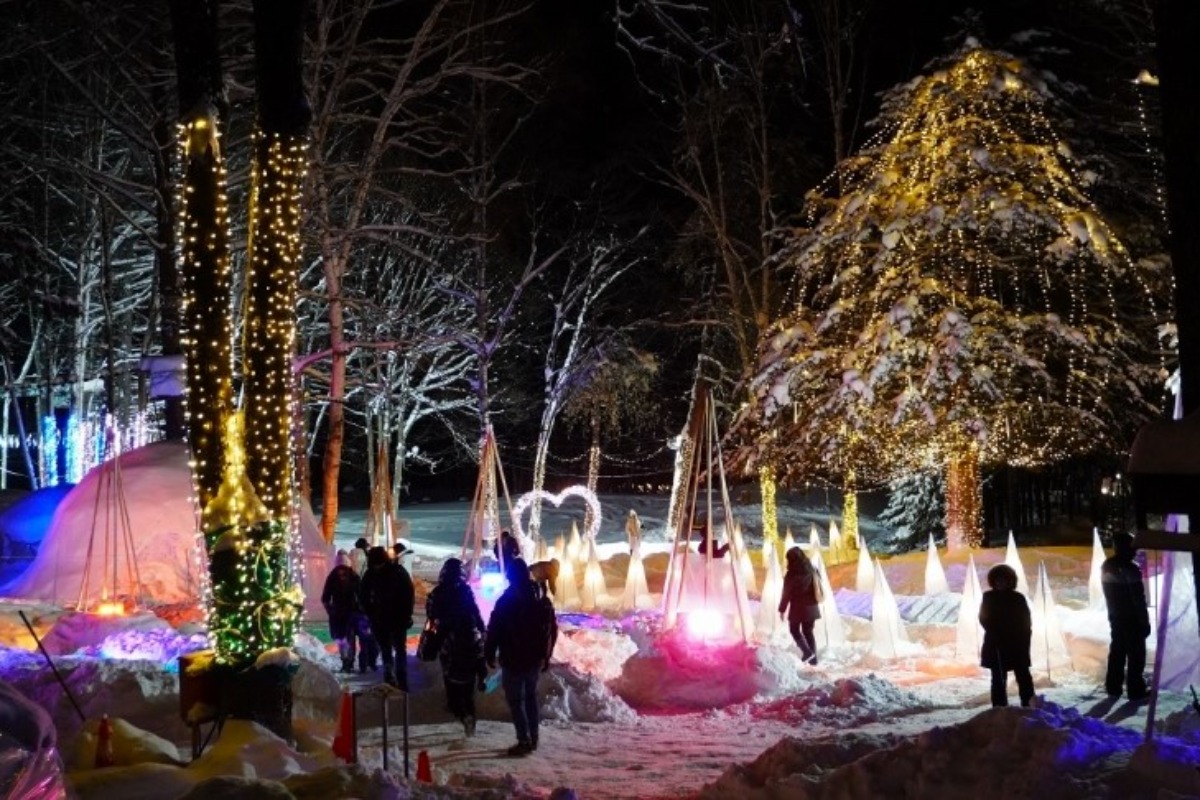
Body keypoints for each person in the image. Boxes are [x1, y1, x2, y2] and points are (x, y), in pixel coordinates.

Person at [485, 558, 558, 756]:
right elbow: (552, 629)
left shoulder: (506, 600)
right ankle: (533, 738)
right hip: (534, 658)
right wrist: (546, 655)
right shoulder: (541, 599)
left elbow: (495, 628)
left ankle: (523, 740)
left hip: (513, 657)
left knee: (516, 700)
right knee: (530, 698)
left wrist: (490, 652)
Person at [426, 558, 488, 737]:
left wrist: (431, 642)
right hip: (470, 642)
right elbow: (475, 614)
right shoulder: (465, 591)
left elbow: (432, 620)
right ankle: (469, 716)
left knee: (451, 680)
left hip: (449, 644)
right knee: (468, 686)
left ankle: (459, 711)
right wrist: (482, 631)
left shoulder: (437, 594)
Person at [1101, 532, 1151, 700]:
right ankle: (1135, 690)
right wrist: (1144, 622)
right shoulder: (1131, 569)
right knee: (1136, 656)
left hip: (1115, 616)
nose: (1135, 552)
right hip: (1132, 619)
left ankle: (1113, 687)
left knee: (1117, 652)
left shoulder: (1107, 565)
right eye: (1132, 548)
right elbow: (1138, 599)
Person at [979, 563, 1034, 708]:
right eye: (998, 580)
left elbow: (1025, 621)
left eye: (1004, 580)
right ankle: (999, 707)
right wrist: (995, 631)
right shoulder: (988, 597)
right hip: (996, 642)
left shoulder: (1018, 598)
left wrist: (1023, 639)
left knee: (1023, 675)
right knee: (998, 678)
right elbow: (984, 618)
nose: (1001, 583)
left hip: (1016, 643)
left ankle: (1028, 704)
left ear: (1010, 581)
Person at [360, 545, 415, 689]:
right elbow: (363, 596)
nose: (377, 567)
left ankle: (400, 678)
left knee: (397, 649)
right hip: (382, 620)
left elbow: (408, 595)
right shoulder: (374, 574)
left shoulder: (393, 572)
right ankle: (390, 676)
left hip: (395, 619)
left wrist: (407, 614)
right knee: (387, 649)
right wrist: (369, 613)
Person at [320, 550, 365, 673]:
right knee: (344, 639)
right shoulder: (349, 576)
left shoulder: (337, 576)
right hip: (343, 614)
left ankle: (348, 661)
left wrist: (330, 610)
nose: (342, 573)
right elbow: (325, 597)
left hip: (346, 614)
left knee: (346, 639)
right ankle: (347, 661)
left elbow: (325, 598)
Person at [778, 546, 822, 665]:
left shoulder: (791, 575)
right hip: (812, 606)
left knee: (794, 630)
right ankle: (813, 660)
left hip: (798, 608)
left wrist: (782, 609)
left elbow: (786, 594)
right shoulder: (812, 568)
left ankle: (807, 652)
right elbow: (819, 582)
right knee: (808, 632)